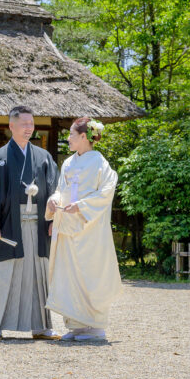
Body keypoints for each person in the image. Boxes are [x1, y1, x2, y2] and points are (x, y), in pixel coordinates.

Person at [0, 105, 60, 342]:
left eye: (31, 124)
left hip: (40, 224)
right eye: (24, 124)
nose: (29, 128)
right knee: (4, 273)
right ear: (11, 126)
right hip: (10, 224)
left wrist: (55, 219)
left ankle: (41, 326)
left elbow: (55, 189)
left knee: (39, 274)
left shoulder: (43, 157)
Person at [45, 116, 122, 341]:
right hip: (68, 227)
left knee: (90, 273)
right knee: (70, 275)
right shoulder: (68, 163)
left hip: (90, 228)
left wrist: (81, 206)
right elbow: (62, 189)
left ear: (83, 137)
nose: (67, 138)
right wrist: (53, 199)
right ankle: (77, 326)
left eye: (71, 134)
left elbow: (107, 192)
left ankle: (95, 326)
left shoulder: (99, 163)